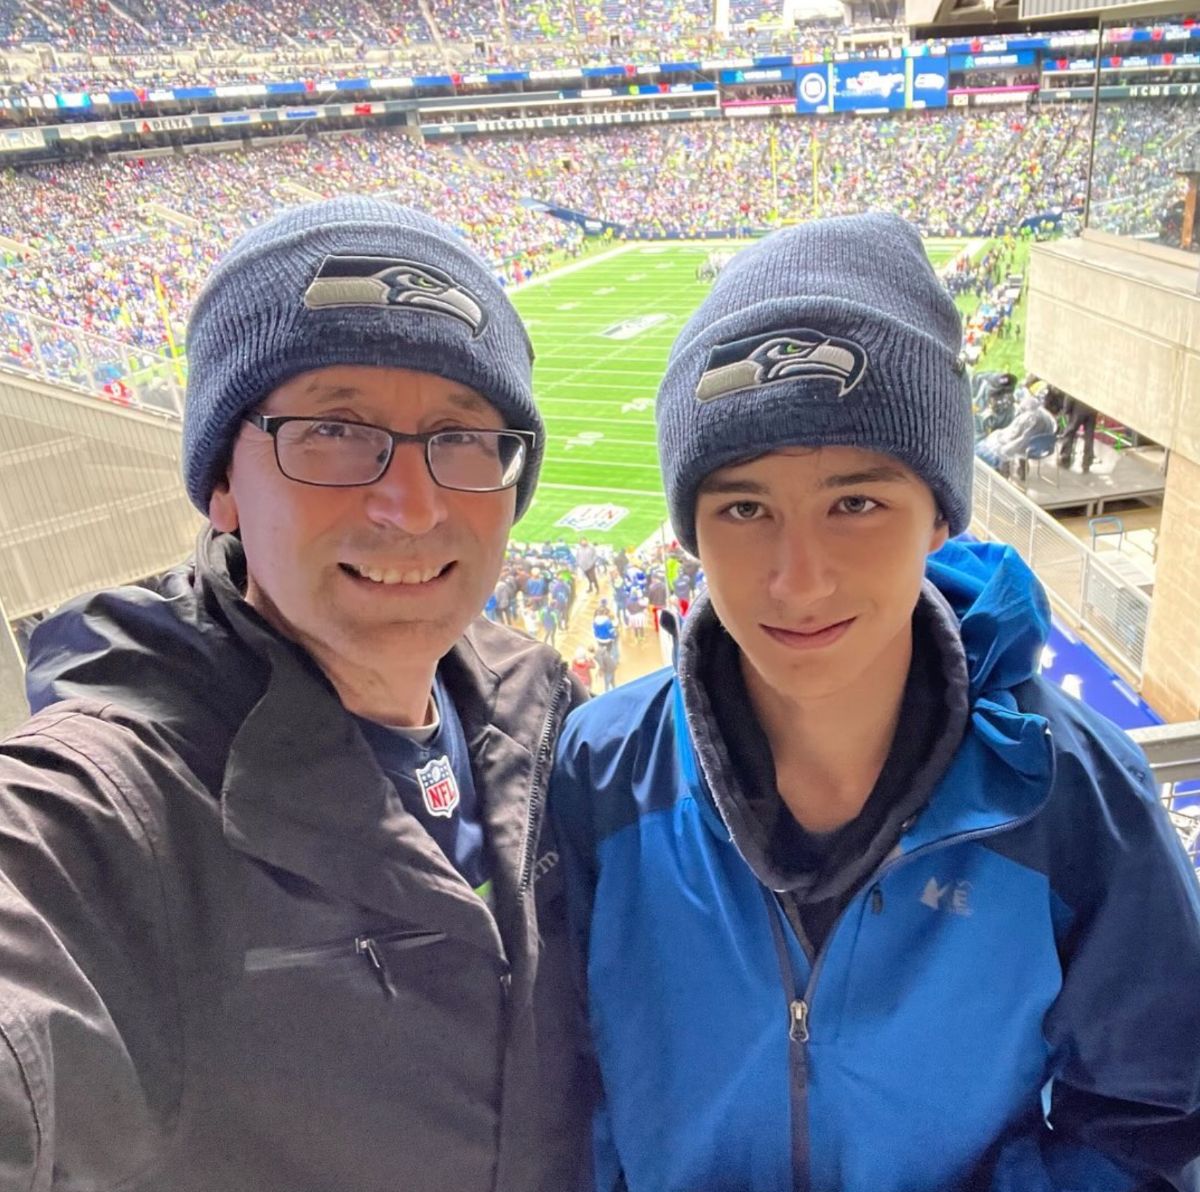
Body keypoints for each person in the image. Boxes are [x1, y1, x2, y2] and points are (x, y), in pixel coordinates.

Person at [549, 213, 1200, 1192]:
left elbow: (1153, 1125)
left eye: (855, 503)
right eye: (744, 508)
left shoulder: (1074, 793)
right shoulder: (599, 772)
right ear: (691, 529)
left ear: (939, 513)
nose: (799, 578)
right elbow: (563, 1093)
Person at [0, 197, 593, 1192]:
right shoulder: (116, 811)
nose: (412, 505)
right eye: (333, 430)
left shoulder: (540, 707)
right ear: (222, 483)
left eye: (461, 435)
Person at [974, 388, 1057, 479]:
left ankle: (1001, 473)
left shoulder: (1029, 417)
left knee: (994, 446)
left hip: (1029, 447)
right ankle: (1019, 470)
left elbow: (1015, 437)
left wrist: (1001, 439)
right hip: (1045, 446)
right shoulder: (1046, 416)